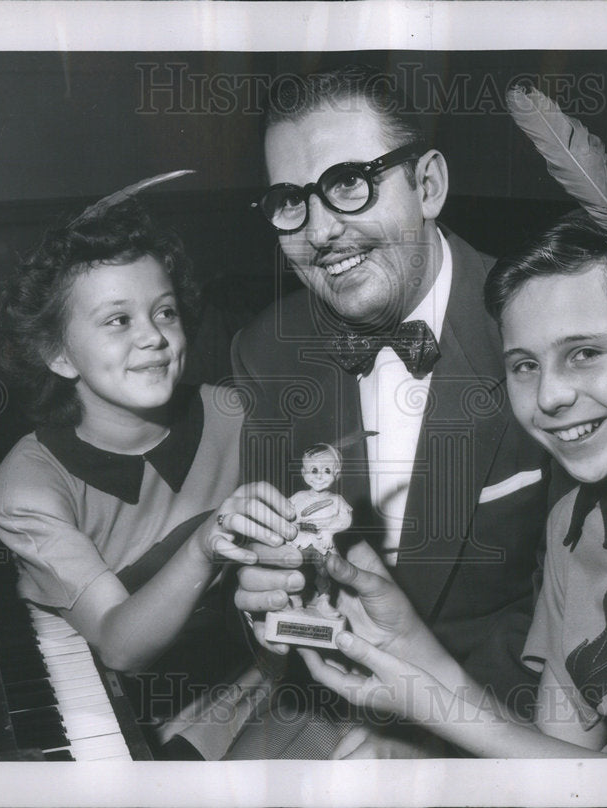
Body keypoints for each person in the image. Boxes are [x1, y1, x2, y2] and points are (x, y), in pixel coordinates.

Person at [298, 208, 607, 757]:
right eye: (524, 366)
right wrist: (409, 649)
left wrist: (430, 715)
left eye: (584, 354)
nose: (549, 397)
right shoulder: (574, 519)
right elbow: (558, 756)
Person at [230, 64, 551, 757]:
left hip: (507, 718)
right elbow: (287, 589)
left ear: (427, 185)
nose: (320, 232)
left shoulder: (540, 332)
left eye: (348, 184)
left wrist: (433, 733)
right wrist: (266, 602)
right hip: (325, 698)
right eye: (291, 201)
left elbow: (585, 617)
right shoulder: (266, 352)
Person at [0, 196, 296, 735]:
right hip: (129, 721)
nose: (152, 335)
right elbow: (120, 645)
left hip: (267, 678)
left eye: (165, 311)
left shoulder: (240, 414)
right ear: (58, 354)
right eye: (117, 320)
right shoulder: (29, 488)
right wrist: (205, 542)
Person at [288, 443, 352, 614]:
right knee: (294, 567)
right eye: (314, 470)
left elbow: (345, 519)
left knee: (325, 571)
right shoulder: (298, 497)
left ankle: (324, 600)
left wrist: (329, 532)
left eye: (327, 471)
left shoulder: (337, 500)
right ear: (304, 473)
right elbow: (285, 515)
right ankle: (294, 599)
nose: (319, 476)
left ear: (337, 475)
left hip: (323, 542)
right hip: (298, 540)